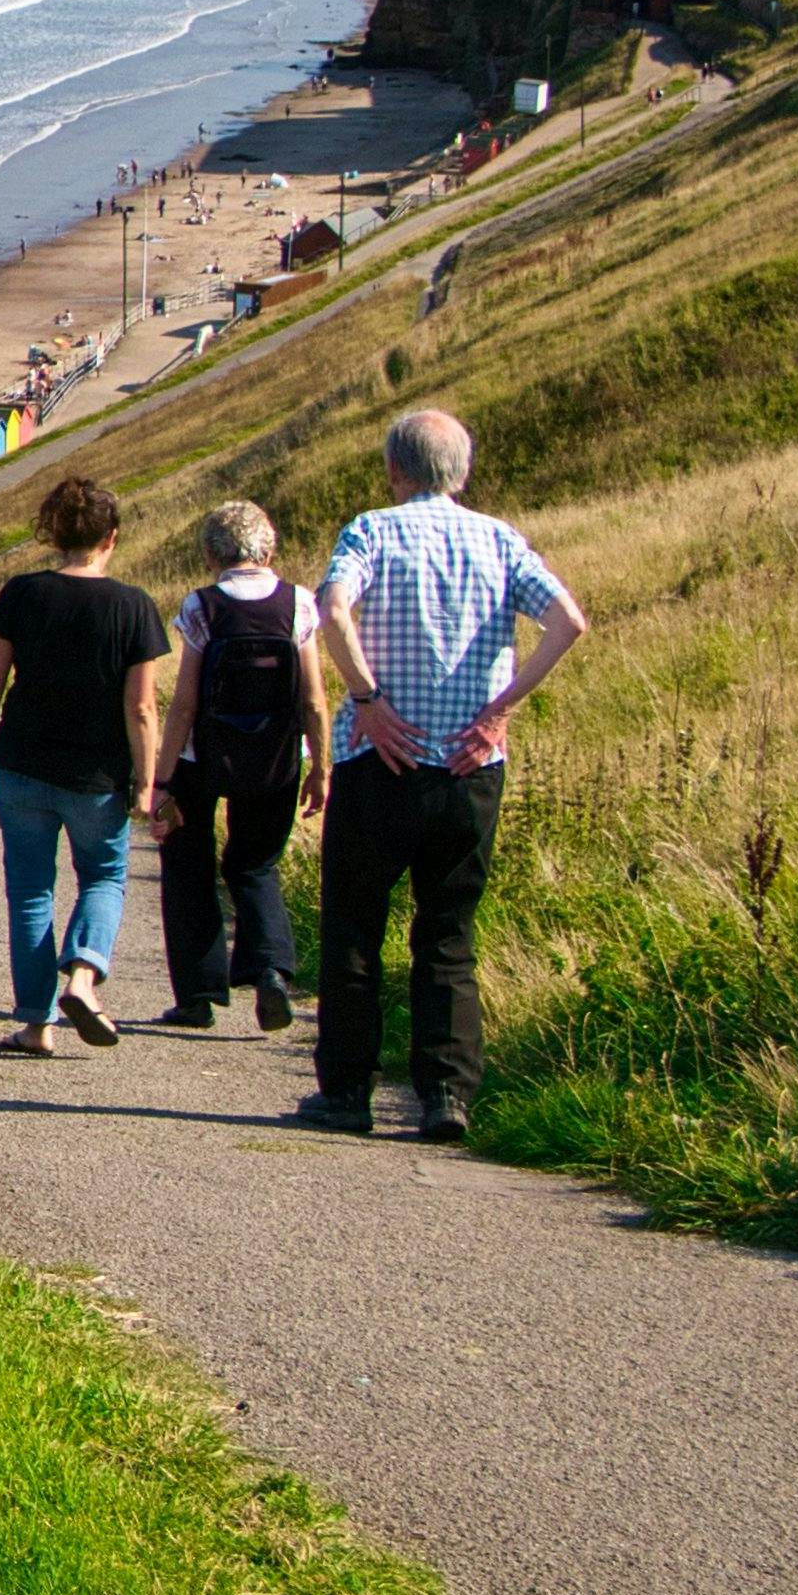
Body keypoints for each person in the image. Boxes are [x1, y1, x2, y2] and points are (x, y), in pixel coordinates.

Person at [303, 409, 590, 1140]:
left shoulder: (372, 529)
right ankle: (446, 1094)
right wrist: (499, 712)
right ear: (460, 472)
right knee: (448, 933)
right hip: (470, 764)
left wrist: (366, 698)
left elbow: (332, 607)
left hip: (381, 759)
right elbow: (569, 622)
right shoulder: (499, 539)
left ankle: (347, 1091)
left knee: (355, 928)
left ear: (396, 470)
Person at [0, 473, 173, 1054]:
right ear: (112, 537)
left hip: (24, 764)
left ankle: (37, 1024)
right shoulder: (134, 607)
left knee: (31, 891)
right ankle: (83, 975)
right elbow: (142, 709)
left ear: (54, 533)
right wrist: (147, 782)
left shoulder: (22, 594)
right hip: (98, 777)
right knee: (104, 877)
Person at [150, 501, 326, 1032]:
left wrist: (161, 780)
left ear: (211, 554)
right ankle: (271, 970)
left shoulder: (202, 607)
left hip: (202, 754)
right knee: (255, 863)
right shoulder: (299, 604)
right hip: (276, 755)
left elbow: (183, 704)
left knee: (188, 864)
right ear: (269, 550)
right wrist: (321, 765)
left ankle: (198, 995)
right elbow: (314, 699)